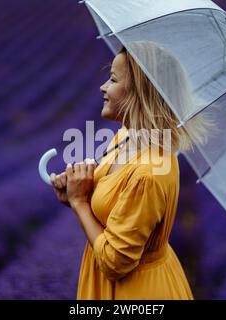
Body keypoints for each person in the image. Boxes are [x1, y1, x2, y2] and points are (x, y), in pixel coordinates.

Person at [50, 41, 213, 299]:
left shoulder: (149, 173)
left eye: (113, 79)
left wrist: (80, 202)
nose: (103, 87)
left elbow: (116, 262)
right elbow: (117, 208)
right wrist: (77, 192)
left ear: (140, 91)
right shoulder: (126, 137)